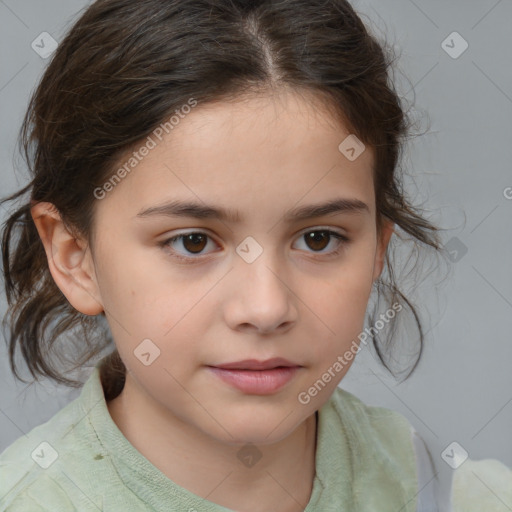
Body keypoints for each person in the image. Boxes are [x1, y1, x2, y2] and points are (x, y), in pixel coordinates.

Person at [0, 0, 452, 510]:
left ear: (377, 250)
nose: (266, 309)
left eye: (319, 239)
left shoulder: (440, 489)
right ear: (75, 257)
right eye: (192, 241)